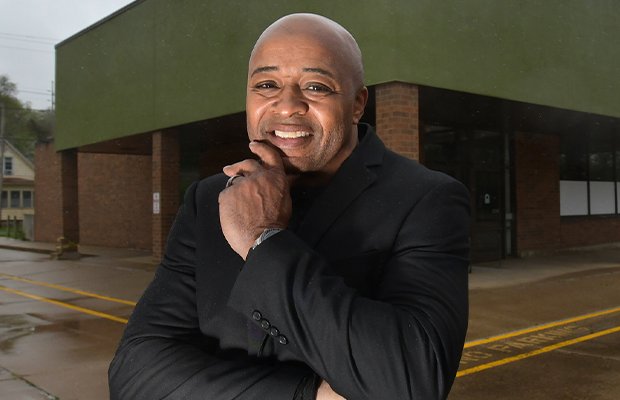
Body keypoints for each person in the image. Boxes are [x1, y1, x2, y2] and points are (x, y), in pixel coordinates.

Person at [109, 13, 471, 400]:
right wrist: (308, 396)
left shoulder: (426, 199)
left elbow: (412, 379)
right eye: (266, 84)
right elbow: (135, 373)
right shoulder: (208, 200)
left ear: (357, 104)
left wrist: (262, 239)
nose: (286, 106)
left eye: (316, 86)